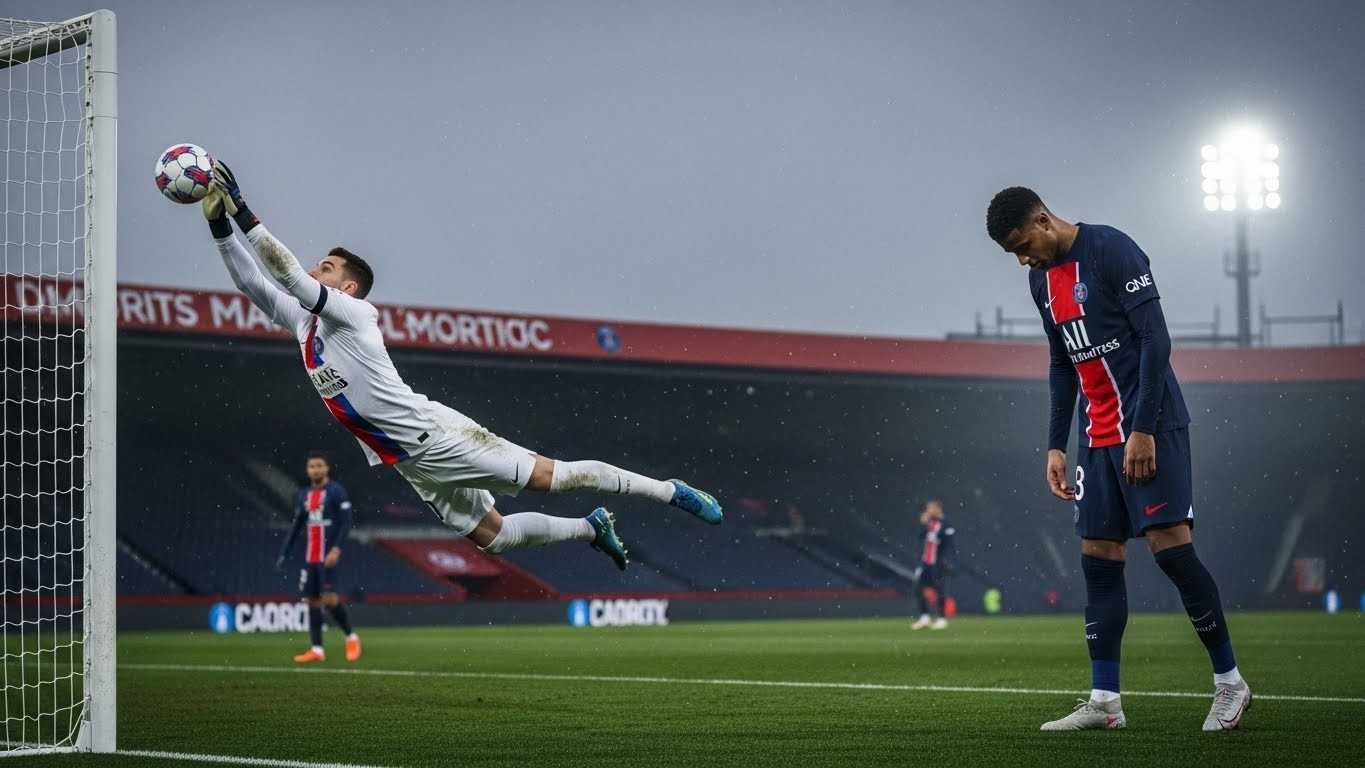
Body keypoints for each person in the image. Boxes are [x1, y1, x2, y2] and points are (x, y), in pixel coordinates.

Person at [199, 161, 723, 576]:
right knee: (493, 537)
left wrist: (244, 211)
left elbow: (287, 277)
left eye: (327, 268)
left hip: (437, 438)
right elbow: (255, 286)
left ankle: (669, 491)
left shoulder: (353, 315)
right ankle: (591, 530)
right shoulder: (306, 326)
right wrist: (221, 227)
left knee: (553, 477)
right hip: (411, 460)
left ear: (348, 287)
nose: (317, 269)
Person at [986, 187, 1250, 731]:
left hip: (1151, 426)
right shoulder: (1041, 282)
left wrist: (1145, 427)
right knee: (1098, 561)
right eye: (1012, 254)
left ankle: (1231, 685)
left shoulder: (1111, 250)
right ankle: (1105, 702)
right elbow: (1063, 364)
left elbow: (1156, 339)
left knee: (1171, 551)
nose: (1022, 260)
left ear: (1042, 219)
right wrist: (1056, 444)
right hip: (1097, 438)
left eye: (1022, 245)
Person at [276, 452, 360, 663]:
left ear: (326, 468)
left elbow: (345, 523)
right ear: (307, 471)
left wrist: (336, 550)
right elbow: (296, 526)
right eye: (311, 466)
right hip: (310, 557)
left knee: (330, 600)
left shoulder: (336, 492)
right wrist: (284, 553)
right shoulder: (304, 495)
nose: (315, 469)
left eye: (319, 465)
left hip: (328, 555)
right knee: (312, 602)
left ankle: (351, 637)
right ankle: (317, 650)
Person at [911, 500, 955, 630]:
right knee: (918, 588)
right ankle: (925, 617)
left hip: (938, 563)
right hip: (926, 562)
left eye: (930, 509)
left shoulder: (945, 524)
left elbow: (949, 545)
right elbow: (920, 537)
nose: (928, 512)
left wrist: (946, 561)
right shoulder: (929, 524)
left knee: (939, 590)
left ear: (938, 509)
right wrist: (923, 524)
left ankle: (942, 619)